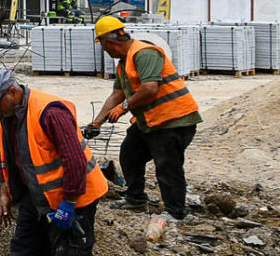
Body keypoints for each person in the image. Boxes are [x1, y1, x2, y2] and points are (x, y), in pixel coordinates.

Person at [0, 66, 108, 256]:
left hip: (75, 195)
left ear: (11, 92)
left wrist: (69, 203)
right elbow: (8, 156)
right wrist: (5, 189)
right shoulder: (7, 113)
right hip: (35, 197)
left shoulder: (50, 112)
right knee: (26, 251)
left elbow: (74, 161)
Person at [83, 15, 199, 217]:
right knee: (130, 154)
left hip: (173, 120)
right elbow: (117, 94)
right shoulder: (124, 63)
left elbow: (149, 89)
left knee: (167, 165)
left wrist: (124, 107)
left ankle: (176, 212)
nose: (104, 50)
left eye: (102, 45)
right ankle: (135, 198)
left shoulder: (144, 54)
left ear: (109, 42)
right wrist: (97, 123)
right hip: (150, 121)